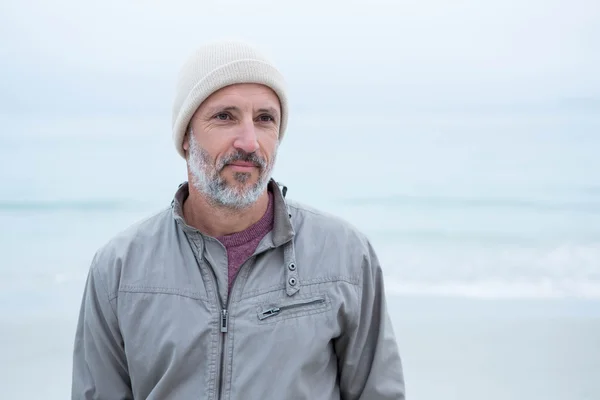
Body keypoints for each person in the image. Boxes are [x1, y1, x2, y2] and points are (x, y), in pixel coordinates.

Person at [71, 39, 405, 399]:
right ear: (186, 136)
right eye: (225, 117)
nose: (248, 141)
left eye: (265, 119)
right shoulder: (120, 269)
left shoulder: (345, 257)